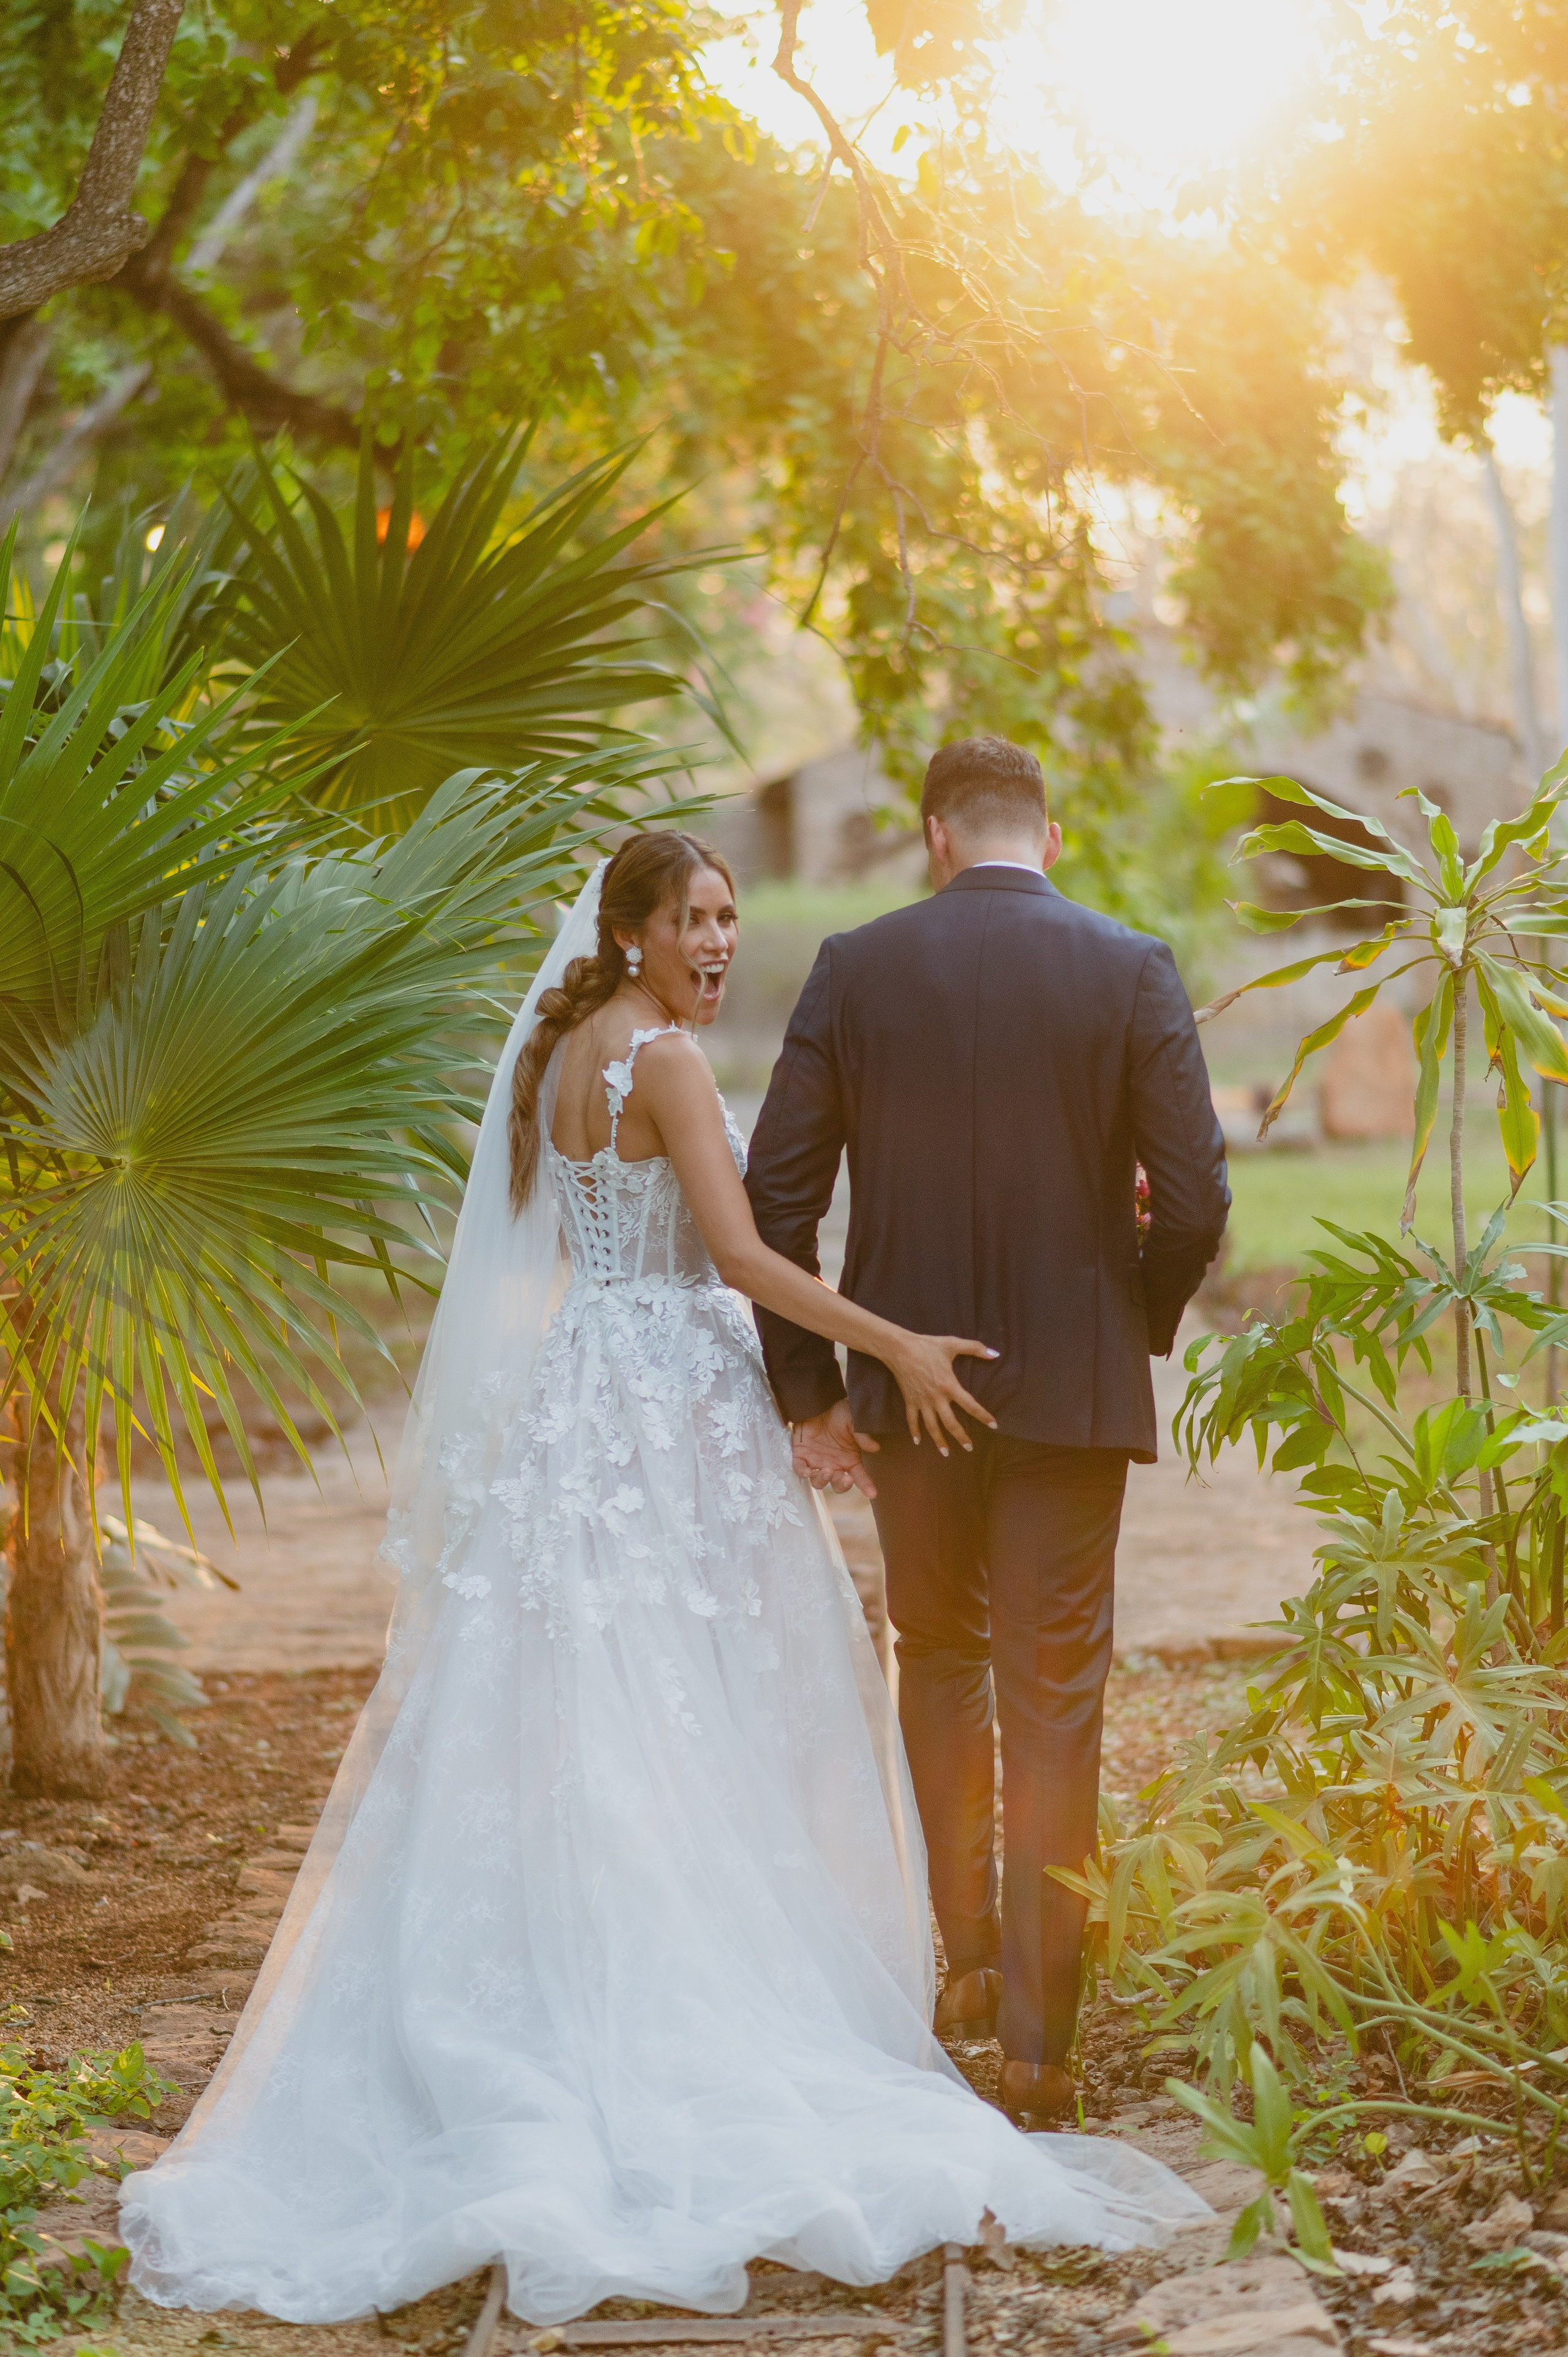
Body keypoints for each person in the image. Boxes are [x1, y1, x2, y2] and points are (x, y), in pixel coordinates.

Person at [120, 831, 1205, 2329]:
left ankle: (550, 1994)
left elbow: (560, 1254)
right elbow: (746, 1259)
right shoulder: (670, 1067)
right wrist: (888, 1345)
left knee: (582, 1702)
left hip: (582, 1398)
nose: (717, 940)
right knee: (699, 1704)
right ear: (630, 930)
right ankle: (683, 2008)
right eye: (692, 919)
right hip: (671, 1400)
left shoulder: (559, 1049)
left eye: (726, 917)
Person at [745, 739, 1231, 2129]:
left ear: (934, 837)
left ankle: (962, 1967)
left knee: (938, 1655)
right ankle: (1039, 2045)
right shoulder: (1128, 966)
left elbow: (777, 1194)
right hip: (1072, 1395)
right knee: (1054, 1693)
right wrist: (1127, 1322)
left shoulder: (854, 965)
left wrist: (815, 1384)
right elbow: (1192, 1193)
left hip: (907, 1391)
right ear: (1050, 835)